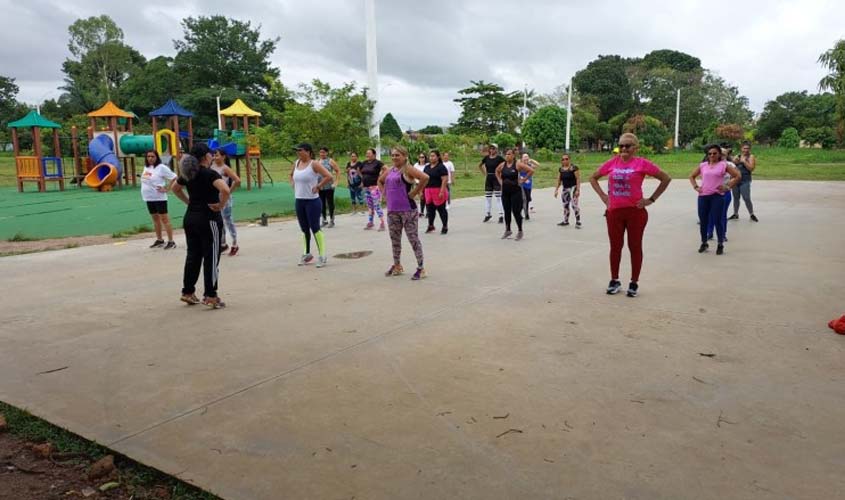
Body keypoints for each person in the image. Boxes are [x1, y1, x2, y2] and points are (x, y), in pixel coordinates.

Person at [590, 133, 671, 297]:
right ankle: (614, 280)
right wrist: (604, 197)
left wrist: (651, 199)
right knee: (615, 247)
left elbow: (666, 178)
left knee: (634, 246)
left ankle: (634, 282)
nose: (624, 149)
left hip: (635, 213)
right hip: (614, 213)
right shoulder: (612, 162)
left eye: (628, 146)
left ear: (635, 148)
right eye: (621, 146)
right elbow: (593, 178)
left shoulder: (642, 163)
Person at [171, 144, 230, 309]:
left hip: (190, 218)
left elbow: (175, 188)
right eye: (211, 154)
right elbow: (225, 189)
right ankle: (211, 295)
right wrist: (220, 205)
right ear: (206, 157)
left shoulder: (189, 173)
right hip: (209, 218)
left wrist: (188, 202)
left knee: (193, 256)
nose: (213, 156)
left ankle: (188, 292)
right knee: (211, 257)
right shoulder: (209, 174)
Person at [378, 145, 429, 280]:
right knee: (395, 240)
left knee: (413, 239)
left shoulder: (408, 169)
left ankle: (421, 268)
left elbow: (425, 178)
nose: (394, 157)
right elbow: (380, 181)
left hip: (408, 210)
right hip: (392, 211)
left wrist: (414, 192)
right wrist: (384, 194)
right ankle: (397, 265)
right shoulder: (390, 170)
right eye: (393, 155)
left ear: (405, 156)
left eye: (397, 155)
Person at [690, 145, 740, 255]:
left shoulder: (723, 165)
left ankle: (720, 243)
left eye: (714, 153)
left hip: (717, 196)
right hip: (703, 196)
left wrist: (727, 186)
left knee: (718, 220)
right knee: (703, 221)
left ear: (719, 155)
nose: (712, 155)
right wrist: (696, 187)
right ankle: (704, 242)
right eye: (710, 153)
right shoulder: (703, 165)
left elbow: (737, 176)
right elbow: (692, 176)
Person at [289, 143, 333, 267]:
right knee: (304, 228)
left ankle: (322, 255)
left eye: (300, 150)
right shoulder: (296, 163)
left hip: (312, 201)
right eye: (297, 150)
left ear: (308, 152)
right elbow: (291, 175)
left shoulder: (314, 164)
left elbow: (328, 176)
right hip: (299, 200)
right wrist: (292, 183)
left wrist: (319, 186)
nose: (298, 152)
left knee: (315, 228)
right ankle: (306, 253)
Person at [140, 150, 178, 250]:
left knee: (164, 219)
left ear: (156, 157)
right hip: (149, 198)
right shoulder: (146, 167)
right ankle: (160, 240)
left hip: (159, 198)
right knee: (155, 219)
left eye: (152, 156)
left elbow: (174, 177)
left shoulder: (161, 167)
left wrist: (167, 189)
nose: (150, 158)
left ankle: (171, 241)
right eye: (148, 156)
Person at [496, 148, 534, 240]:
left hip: (515, 192)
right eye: (506, 154)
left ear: (513, 155)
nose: (507, 156)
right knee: (506, 211)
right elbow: (496, 172)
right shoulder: (502, 165)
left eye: (509, 154)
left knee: (516, 212)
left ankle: (520, 231)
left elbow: (531, 170)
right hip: (505, 192)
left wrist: (523, 180)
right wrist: (500, 181)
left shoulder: (517, 164)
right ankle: (508, 230)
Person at [210, 148, 242, 256]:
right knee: (219, 221)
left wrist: (228, 192)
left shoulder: (225, 168)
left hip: (225, 198)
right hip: (214, 198)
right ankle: (222, 244)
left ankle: (235, 244)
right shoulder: (211, 166)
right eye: (214, 155)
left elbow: (237, 180)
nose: (214, 157)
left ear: (223, 157)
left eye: (217, 155)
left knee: (228, 220)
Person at [706, 146, 735, 242]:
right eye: (720, 154)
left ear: (726, 155)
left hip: (724, 193)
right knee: (710, 213)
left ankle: (723, 234)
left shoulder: (730, 165)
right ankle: (709, 232)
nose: (721, 156)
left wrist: (728, 186)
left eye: (723, 154)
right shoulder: (710, 164)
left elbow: (737, 177)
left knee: (722, 214)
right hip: (711, 192)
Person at [729, 141, 758, 222]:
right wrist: (734, 161)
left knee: (746, 197)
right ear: (741, 148)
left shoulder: (751, 157)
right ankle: (735, 214)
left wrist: (744, 161)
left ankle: (751, 214)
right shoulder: (737, 156)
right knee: (736, 198)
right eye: (744, 148)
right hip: (735, 180)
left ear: (750, 149)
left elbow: (751, 168)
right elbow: (732, 166)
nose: (746, 150)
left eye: (748, 148)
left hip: (745, 180)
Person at [424, 150, 450, 234]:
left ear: (438, 157)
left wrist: (442, 191)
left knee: (441, 209)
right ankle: (431, 225)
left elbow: (445, 179)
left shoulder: (441, 167)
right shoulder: (427, 167)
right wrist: (421, 191)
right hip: (428, 190)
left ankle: (445, 226)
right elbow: (424, 179)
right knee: (430, 210)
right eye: (430, 156)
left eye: (433, 156)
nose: (431, 157)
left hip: (438, 190)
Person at [478, 144, 504, 223]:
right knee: (488, 198)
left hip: (496, 178)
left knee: (498, 198)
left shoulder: (499, 158)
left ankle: (501, 215)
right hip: (489, 178)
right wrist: (484, 173)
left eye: (493, 148)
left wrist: (501, 175)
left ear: (496, 149)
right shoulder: (486, 158)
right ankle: (487, 214)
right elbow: (480, 165)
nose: (492, 150)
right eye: (490, 148)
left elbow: (505, 166)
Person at [361, 148, 386, 230]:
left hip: (375, 188)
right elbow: (359, 170)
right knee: (370, 206)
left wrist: (380, 178)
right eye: (366, 153)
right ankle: (370, 222)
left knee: (377, 205)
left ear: (374, 155)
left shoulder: (378, 163)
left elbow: (386, 169)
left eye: (369, 153)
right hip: (366, 188)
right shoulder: (364, 163)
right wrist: (363, 180)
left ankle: (382, 223)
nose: (367, 155)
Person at [554, 154, 582, 228]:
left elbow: (578, 179)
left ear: (569, 159)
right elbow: (559, 180)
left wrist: (578, 190)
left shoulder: (574, 168)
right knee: (565, 205)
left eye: (566, 159)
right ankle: (566, 221)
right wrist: (556, 189)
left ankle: (578, 221)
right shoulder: (561, 169)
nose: (565, 161)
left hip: (573, 188)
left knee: (574, 205)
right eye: (563, 159)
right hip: (565, 189)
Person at [317, 147, 340, 227]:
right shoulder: (317, 161)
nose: (322, 154)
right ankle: (324, 220)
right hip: (320, 186)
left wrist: (336, 182)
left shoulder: (330, 161)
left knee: (330, 202)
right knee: (321, 203)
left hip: (329, 185)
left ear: (327, 153)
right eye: (320, 152)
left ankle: (332, 220)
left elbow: (337, 170)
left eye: (323, 152)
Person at [520, 153, 539, 220]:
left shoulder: (530, 165)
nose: (526, 158)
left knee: (527, 199)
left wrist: (531, 160)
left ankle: (524, 212)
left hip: (529, 184)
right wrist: (522, 179)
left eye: (527, 156)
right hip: (521, 184)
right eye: (524, 157)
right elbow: (517, 173)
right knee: (523, 199)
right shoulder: (520, 165)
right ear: (521, 158)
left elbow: (538, 165)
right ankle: (526, 214)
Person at [413, 152, 428, 218]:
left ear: (425, 158)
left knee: (427, 198)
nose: (421, 159)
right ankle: (422, 211)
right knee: (422, 198)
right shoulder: (416, 165)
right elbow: (413, 173)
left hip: (426, 183)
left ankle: (428, 212)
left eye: (423, 157)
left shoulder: (427, 165)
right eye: (420, 157)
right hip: (418, 183)